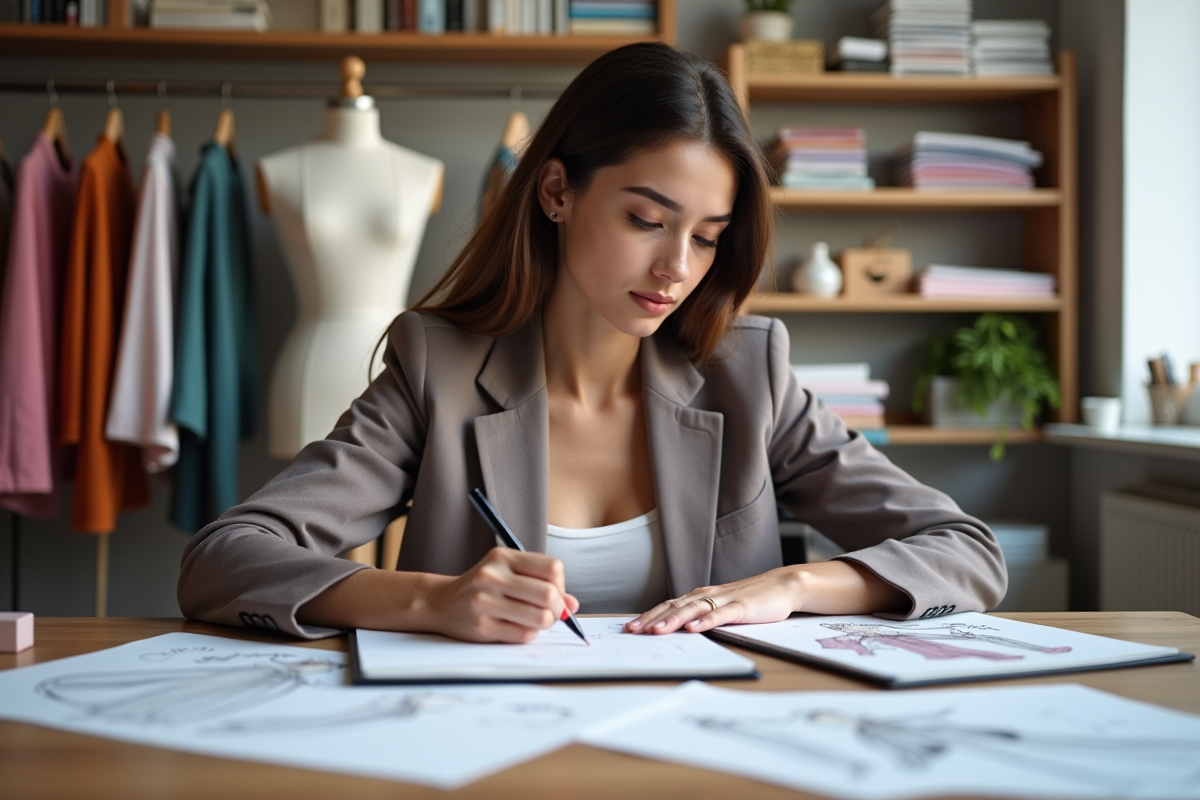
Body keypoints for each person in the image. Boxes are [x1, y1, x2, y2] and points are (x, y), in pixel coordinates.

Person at [178, 43, 1006, 643]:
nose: (676, 267)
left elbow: (967, 554)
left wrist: (794, 586)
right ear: (556, 192)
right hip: (484, 752)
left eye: (709, 236)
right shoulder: (440, 370)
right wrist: (428, 601)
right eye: (646, 220)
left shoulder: (748, 374)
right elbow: (222, 561)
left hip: (713, 750)